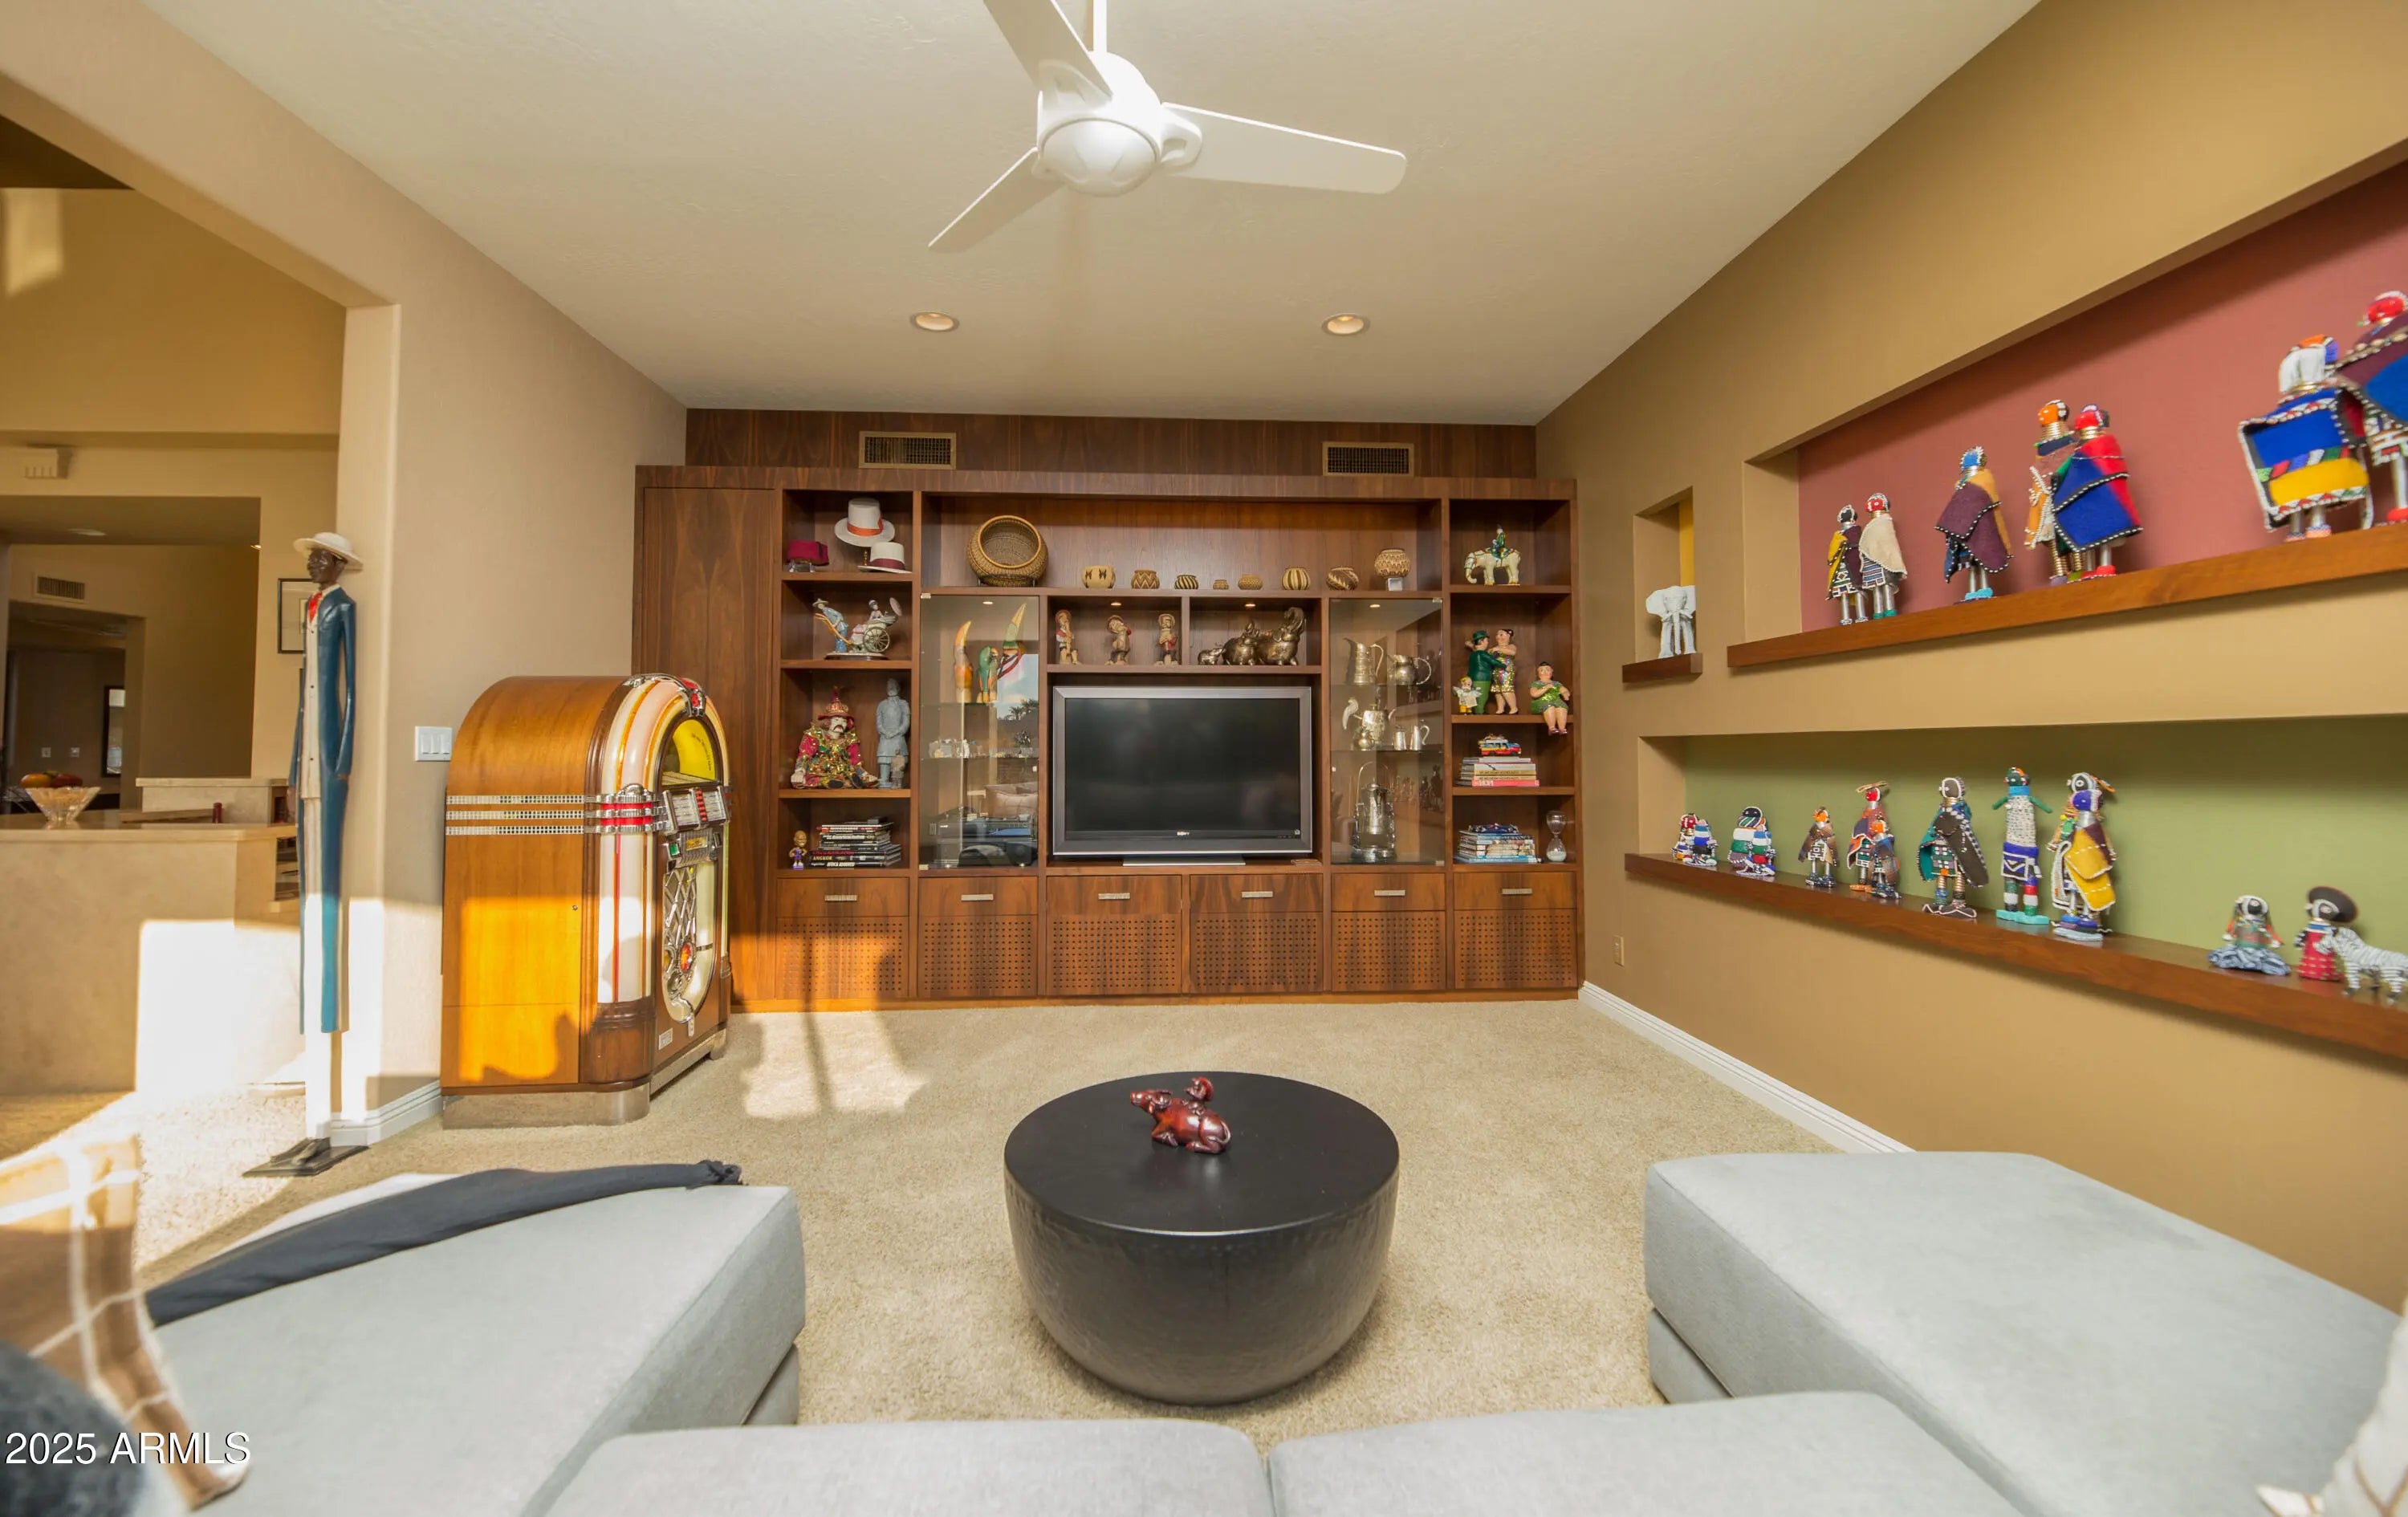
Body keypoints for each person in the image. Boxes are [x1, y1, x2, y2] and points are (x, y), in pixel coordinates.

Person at [1527, 661, 1571, 733]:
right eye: (1542, 670)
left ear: (1552, 671)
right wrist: (1545, 688)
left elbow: (1564, 690)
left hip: (1556, 701)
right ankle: (1551, 727)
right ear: (1538, 673)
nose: (1545, 672)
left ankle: (1562, 728)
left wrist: (1565, 694)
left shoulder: (1556, 684)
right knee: (1550, 707)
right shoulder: (1536, 684)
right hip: (1541, 702)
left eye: (1547, 670)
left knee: (1562, 707)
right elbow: (1534, 694)